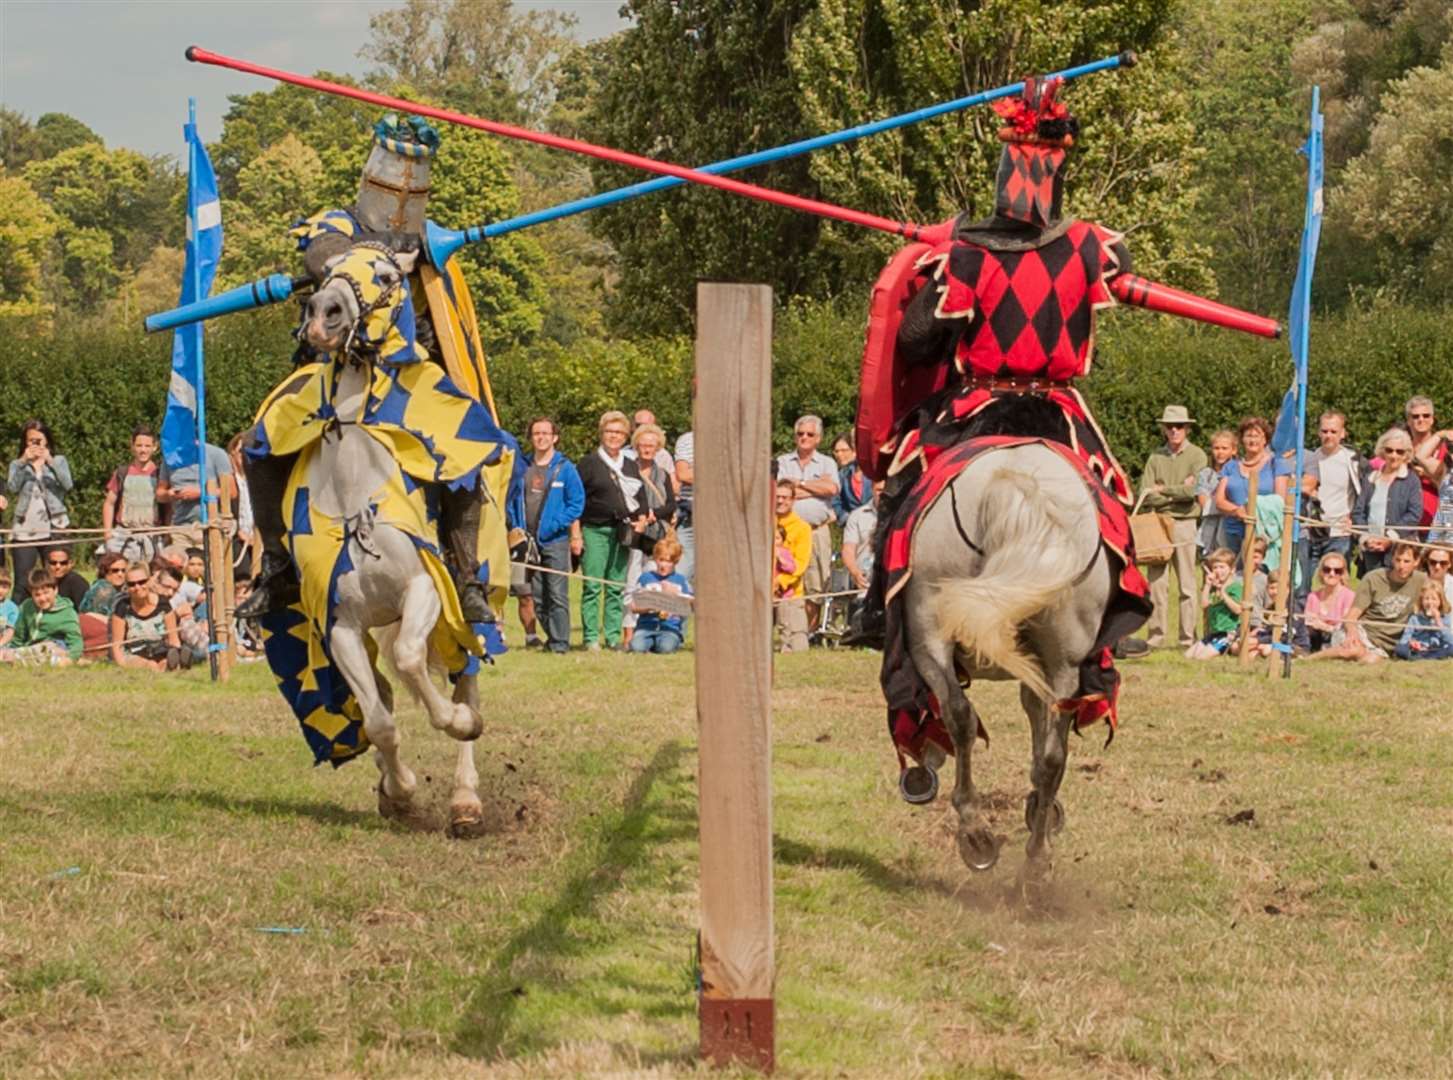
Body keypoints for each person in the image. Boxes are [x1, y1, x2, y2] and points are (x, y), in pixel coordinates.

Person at [237, 114, 515, 626]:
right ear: (371, 180)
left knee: (469, 441)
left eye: (412, 188)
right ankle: (277, 566)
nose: (400, 199)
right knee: (260, 441)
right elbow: (324, 256)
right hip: (334, 373)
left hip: (409, 378)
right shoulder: (337, 225)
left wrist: (429, 258)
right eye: (391, 184)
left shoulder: (434, 240)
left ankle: (464, 575)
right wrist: (381, 259)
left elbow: (445, 317)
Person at [504, 416, 584, 654]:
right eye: (536, 433)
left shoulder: (565, 468)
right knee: (536, 594)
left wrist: (556, 524)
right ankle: (552, 636)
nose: (541, 437)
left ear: (554, 438)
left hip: (555, 541)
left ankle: (560, 644)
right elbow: (511, 499)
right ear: (530, 438)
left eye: (545, 434)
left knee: (557, 594)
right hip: (526, 542)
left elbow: (577, 503)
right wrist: (516, 526)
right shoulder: (521, 467)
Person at [576, 410, 646, 650]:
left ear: (626, 436)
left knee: (617, 585)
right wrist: (576, 533)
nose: (614, 436)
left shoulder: (629, 465)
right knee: (593, 585)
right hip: (595, 530)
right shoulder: (588, 463)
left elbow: (640, 497)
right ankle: (591, 638)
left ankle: (613, 637)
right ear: (601, 434)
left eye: (619, 432)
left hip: (623, 532)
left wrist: (642, 520)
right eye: (609, 432)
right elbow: (577, 500)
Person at [1139, 405, 1207, 649]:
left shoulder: (1198, 456)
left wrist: (1164, 489)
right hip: (1158, 523)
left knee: (1187, 583)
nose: (1174, 430)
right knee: (1157, 584)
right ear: (1164, 429)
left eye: (1179, 426)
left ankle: (1187, 638)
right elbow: (1146, 494)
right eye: (1170, 426)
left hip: (1185, 523)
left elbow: (1194, 491)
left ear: (1187, 428)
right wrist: (1177, 491)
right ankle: (1156, 637)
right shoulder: (1155, 457)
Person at [776, 414, 838, 634]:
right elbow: (780, 491)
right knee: (785, 578)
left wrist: (799, 484)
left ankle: (809, 633)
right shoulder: (783, 461)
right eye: (800, 434)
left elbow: (831, 489)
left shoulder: (827, 462)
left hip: (816, 531)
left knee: (816, 582)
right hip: (784, 532)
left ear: (818, 438)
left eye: (809, 434)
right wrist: (814, 487)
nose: (804, 438)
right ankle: (788, 629)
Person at [1316, 542, 1427, 663]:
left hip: (1387, 645)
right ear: (1392, 559)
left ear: (1416, 562)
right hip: (1364, 632)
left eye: (1406, 561)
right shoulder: (1374, 578)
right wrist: (1352, 634)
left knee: (1371, 660)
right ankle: (1307, 659)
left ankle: (1346, 655)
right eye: (1398, 560)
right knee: (1352, 650)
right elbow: (1351, 616)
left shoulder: (1421, 581)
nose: (1401, 566)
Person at [622, 422, 678, 648]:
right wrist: (641, 516)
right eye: (643, 445)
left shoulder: (662, 474)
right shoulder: (626, 471)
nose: (647, 449)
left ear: (658, 449)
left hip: (657, 534)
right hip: (636, 533)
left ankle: (655, 630)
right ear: (636, 446)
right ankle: (628, 632)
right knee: (631, 581)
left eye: (651, 446)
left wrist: (654, 514)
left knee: (654, 579)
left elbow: (672, 503)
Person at [6, 420, 73, 602]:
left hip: (54, 526)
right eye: (31, 441)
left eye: (39, 440)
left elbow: (68, 484)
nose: (35, 444)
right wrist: (23, 461)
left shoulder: (58, 461)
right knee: (22, 581)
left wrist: (49, 461)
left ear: (47, 441)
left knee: (56, 578)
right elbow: (12, 488)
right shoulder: (17, 464)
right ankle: (16, 622)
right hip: (25, 529)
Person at [1214, 416, 1291, 557]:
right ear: (1242, 439)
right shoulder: (1230, 466)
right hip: (1234, 532)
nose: (1252, 440)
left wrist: (1254, 509)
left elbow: (1280, 501)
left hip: (1265, 534)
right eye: (1248, 436)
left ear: (1265, 439)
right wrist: (1238, 511)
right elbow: (1219, 501)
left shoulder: (1276, 463)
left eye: (1257, 436)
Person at [1351, 427, 1423, 573]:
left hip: (1400, 550)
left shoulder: (1412, 480)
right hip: (1371, 549)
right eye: (1389, 450)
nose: (1393, 455)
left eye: (1399, 451)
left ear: (1406, 454)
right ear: (1383, 451)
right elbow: (1358, 512)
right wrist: (1366, 538)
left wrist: (1390, 538)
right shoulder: (1370, 478)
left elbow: (1414, 514)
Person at [109, 560, 188, 672]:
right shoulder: (122, 607)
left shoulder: (163, 605)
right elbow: (117, 645)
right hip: (133, 654)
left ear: (150, 580)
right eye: (132, 584)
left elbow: (173, 639)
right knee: (150, 666)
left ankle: (176, 664)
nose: (137, 587)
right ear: (126, 585)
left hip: (160, 651)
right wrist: (122, 665)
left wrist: (175, 651)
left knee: (165, 663)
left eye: (142, 582)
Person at [102, 424, 165, 563]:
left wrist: (168, 535)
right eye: (139, 445)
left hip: (152, 534)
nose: (143, 450)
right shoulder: (122, 473)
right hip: (123, 534)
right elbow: (109, 503)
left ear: (155, 447)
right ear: (132, 446)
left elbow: (169, 506)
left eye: (147, 446)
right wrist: (107, 534)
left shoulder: (161, 474)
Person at [0, 566, 82, 666]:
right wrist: (12, 649)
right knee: (6, 653)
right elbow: (19, 636)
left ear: (55, 590)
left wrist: (71, 658)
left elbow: (76, 642)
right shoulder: (27, 607)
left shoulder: (67, 612)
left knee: (47, 649)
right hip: (30, 646)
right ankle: (16, 657)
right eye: (37, 595)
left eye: (46, 593)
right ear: (31, 594)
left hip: (54, 646)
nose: (42, 598)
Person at [157, 441, 236, 543]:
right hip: (181, 529)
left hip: (213, 528)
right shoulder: (170, 458)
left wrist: (200, 493)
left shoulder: (217, 454)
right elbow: (159, 494)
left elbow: (232, 492)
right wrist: (169, 494)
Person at [628, 537, 692, 654]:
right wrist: (650, 606)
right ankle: (650, 643)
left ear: (675, 562)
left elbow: (690, 606)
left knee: (666, 648)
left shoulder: (681, 580)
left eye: (669, 561)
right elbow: (633, 607)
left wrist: (675, 594)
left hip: (670, 628)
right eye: (661, 560)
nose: (664, 565)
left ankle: (665, 643)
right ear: (655, 559)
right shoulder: (645, 578)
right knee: (637, 647)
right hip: (646, 627)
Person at [773, 478, 812, 654]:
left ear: (793, 500)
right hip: (761, 592)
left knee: (799, 648)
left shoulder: (802, 528)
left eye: (785, 497)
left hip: (790, 593)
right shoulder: (761, 523)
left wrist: (779, 582)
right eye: (777, 496)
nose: (781, 501)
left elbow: (800, 565)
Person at [1186, 548, 1239, 659]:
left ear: (1232, 570)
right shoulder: (1214, 588)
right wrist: (1208, 585)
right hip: (1214, 633)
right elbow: (1204, 605)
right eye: (1215, 567)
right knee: (1188, 656)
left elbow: (1238, 609)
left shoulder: (1235, 587)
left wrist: (1223, 593)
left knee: (1201, 658)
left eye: (1222, 567)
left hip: (1228, 633)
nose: (1218, 571)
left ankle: (1227, 650)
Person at [1405, 396, 1448, 526]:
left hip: (1438, 523)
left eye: (1426, 416)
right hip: (1404, 524)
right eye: (1415, 416)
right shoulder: (1399, 450)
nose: (1421, 419)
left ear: (1432, 420)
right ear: (1408, 421)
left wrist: (1428, 475)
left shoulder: (1445, 451)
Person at [1195, 429, 1238, 557]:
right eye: (1216, 448)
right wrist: (1224, 503)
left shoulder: (1239, 471)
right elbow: (1204, 504)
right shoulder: (1206, 474)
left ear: (1233, 450)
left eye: (1224, 448)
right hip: (1211, 528)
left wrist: (1219, 502)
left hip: (1233, 526)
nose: (1220, 452)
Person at [78, 551, 128, 659]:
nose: (120, 574)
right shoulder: (104, 589)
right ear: (105, 572)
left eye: (124, 570)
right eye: (115, 570)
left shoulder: (120, 589)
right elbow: (95, 619)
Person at [1303, 551, 1355, 654]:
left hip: (1338, 637)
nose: (1332, 574)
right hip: (1316, 638)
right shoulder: (1313, 596)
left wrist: (1324, 626)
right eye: (1327, 570)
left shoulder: (1349, 596)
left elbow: (1344, 626)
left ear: (1343, 574)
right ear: (1321, 572)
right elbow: (1308, 622)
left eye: (1337, 571)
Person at [841, 480, 883, 595]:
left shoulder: (899, 515)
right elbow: (848, 549)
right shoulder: (857, 515)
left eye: (885, 490)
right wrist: (854, 571)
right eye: (879, 490)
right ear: (872, 490)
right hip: (864, 583)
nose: (882, 494)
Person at [1394, 580, 1453, 661]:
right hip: (1419, 649)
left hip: (1436, 649)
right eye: (1426, 599)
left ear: (1440, 601)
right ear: (1421, 601)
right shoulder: (1415, 617)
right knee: (1400, 649)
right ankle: (1419, 657)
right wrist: (1412, 642)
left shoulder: (1444, 616)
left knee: (1451, 648)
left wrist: (1438, 621)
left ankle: (1427, 658)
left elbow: (1450, 640)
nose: (1430, 602)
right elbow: (1405, 639)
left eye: (1434, 599)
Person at [830, 431, 871, 527]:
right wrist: (846, 518)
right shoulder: (842, 475)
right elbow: (835, 501)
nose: (839, 455)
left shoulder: (874, 472)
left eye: (844, 450)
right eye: (836, 451)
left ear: (855, 451)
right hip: (853, 527)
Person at [673, 428, 695, 582]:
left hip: (726, 514)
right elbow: (683, 474)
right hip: (692, 510)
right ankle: (669, 601)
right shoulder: (687, 440)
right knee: (685, 562)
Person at [0, 568, 18, 649]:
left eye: (4, 587)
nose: (0, 590)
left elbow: (10, 631)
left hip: (3, 644)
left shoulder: (12, 608)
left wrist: (1, 644)